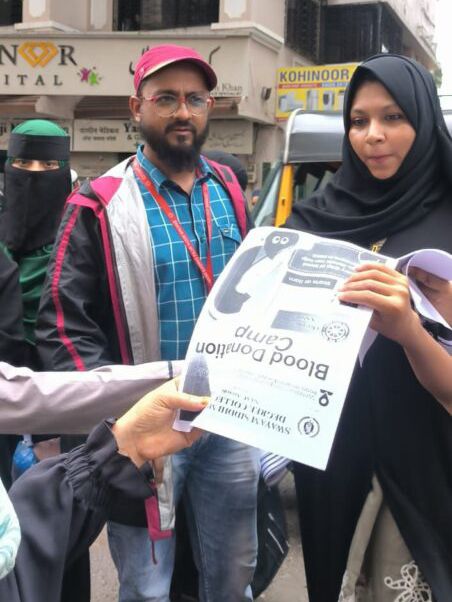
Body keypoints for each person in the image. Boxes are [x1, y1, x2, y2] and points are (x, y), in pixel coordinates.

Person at [36, 44, 259, 602]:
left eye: (195, 99)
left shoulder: (228, 190)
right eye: (166, 99)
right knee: (146, 586)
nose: (183, 112)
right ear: (137, 108)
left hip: (227, 417)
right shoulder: (98, 202)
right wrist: (119, 422)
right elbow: (63, 323)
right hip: (148, 423)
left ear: (209, 108)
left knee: (233, 572)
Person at [285, 54, 452, 602]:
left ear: (423, 120)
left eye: (393, 117)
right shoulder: (313, 220)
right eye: (358, 121)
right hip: (331, 457)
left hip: (429, 462)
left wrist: (409, 328)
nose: (372, 135)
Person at [0, 378, 207, 602]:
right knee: (147, 587)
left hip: (137, 436)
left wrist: (124, 446)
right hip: (125, 432)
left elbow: (18, 567)